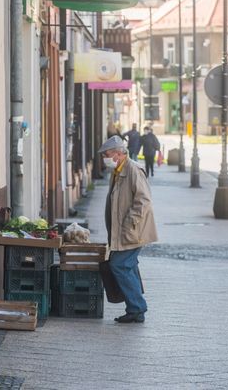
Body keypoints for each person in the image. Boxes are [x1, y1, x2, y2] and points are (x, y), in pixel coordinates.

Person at [98, 135, 158, 323]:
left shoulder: (133, 170)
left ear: (118, 153)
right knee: (127, 265)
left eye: (106, 155)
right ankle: (135, 309)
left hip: (133, 231)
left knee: (119, 265)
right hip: (124, 231)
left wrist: (129, 222)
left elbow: (144, 200)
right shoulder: (118, 171)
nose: (105, 158)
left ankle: (137, 307)